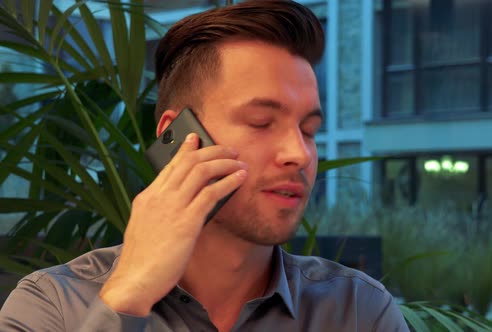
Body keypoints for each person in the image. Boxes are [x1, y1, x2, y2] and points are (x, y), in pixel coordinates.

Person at [0, 1, 410, 331]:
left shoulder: (359, 312)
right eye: (261, 122)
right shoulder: (52, 307)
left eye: (309, 129)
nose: (299, 154)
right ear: (178, 137)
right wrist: (126, 300)